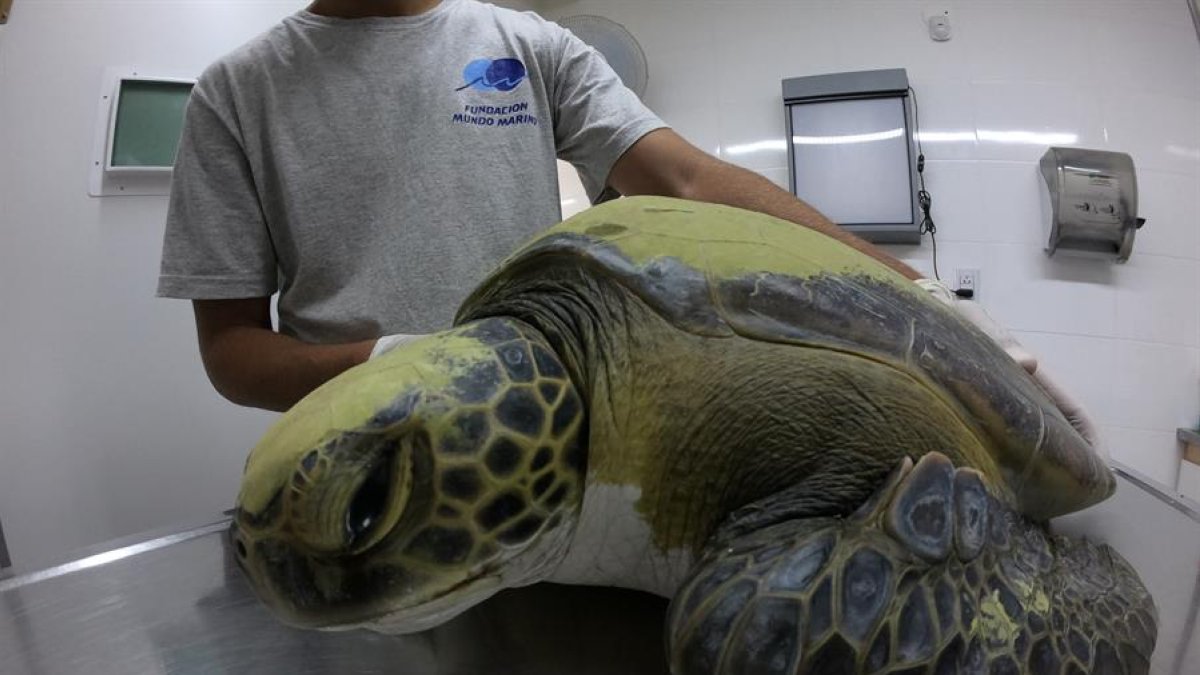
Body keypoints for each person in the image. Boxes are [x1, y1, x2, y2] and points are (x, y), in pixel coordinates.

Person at [156, 0, 1100, 456]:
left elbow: (689, 178)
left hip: (555, 452)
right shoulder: (237, 94)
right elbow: (232, 351)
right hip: (360, 459)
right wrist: (394, 359)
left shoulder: (523, 47)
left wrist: (924, 300)